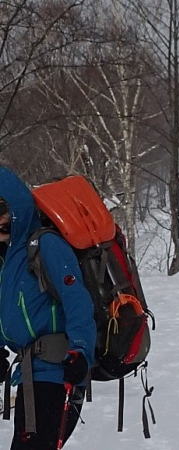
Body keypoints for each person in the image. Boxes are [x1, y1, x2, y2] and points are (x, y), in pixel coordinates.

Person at [0, 167, 96, 450]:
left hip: (57, 371)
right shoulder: (6, 260)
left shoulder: (45, 245)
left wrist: (79, 350)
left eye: (1, 211)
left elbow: (76, 299)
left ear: (16, 209)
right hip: (30, 374)